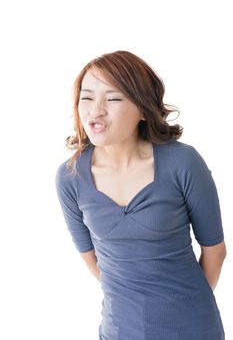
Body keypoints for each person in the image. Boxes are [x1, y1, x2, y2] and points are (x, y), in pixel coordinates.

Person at [55, 50, 227, 339]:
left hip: (194, 327)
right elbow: (91, 259)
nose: (95, 110)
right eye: (87, 97)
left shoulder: (183, 163)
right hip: (119, 329)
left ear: (144, 109)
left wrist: (182, 307)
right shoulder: (70, 177)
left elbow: (215, 252)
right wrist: (133, 302)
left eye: (113, 98)